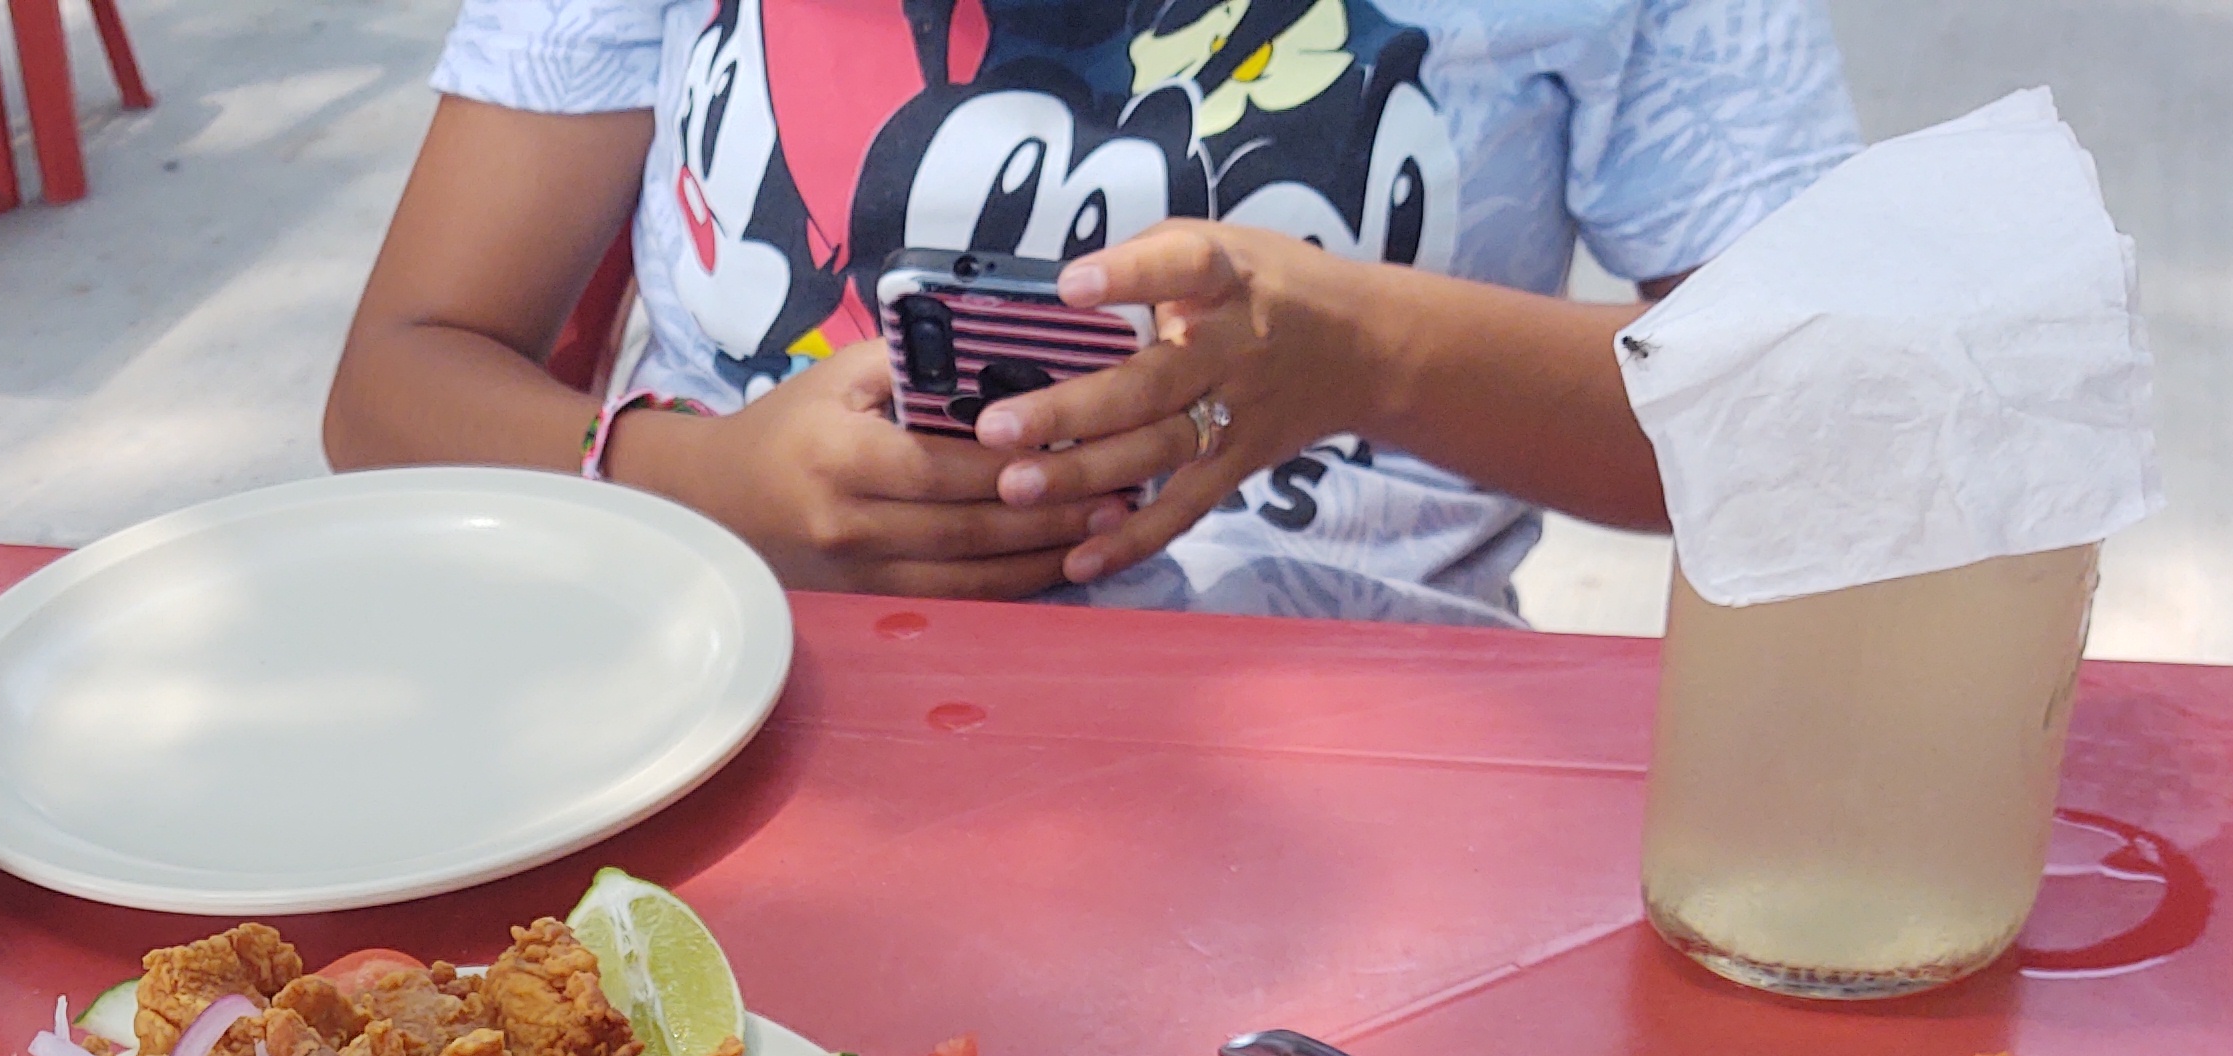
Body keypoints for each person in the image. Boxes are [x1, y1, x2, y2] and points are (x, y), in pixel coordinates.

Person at [324, 1, 1858, 624]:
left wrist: (1364, 356)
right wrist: (699, 486)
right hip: (748, 717)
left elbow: (1819, 437)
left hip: (1376, 776)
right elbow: (399, 382)